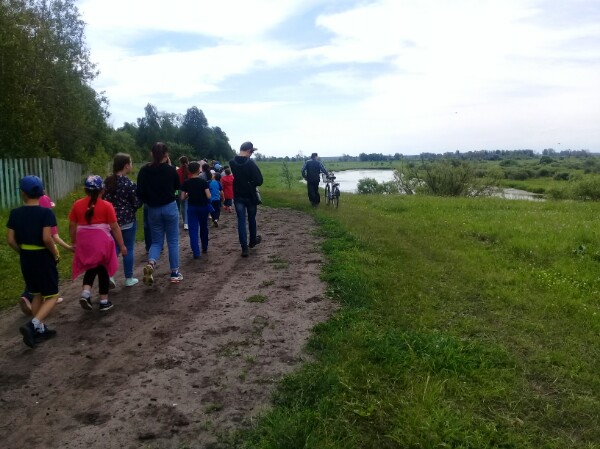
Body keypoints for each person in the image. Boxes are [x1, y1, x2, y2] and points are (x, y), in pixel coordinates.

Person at [7, 176, 61, 347]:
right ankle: (33, 325)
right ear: (41, 193)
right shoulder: (46, 213)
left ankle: (40, 330)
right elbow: (46, 238)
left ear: (23, 193)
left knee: (36, 293)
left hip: (26, 258)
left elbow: (10, 240)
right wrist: (54, 253)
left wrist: (22, 251)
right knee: (52, 295)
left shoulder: (15, 213)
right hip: (42, 257)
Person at [69, 175, 126, 312]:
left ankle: (86, 293)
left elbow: (72, 225)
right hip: (101, 242)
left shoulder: (77, 204)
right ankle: (103, 301)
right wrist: (122, 245)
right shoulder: (107, 206)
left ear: (85, 190)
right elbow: (115, 227)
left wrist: (73, 242)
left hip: (84, 241)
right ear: (102, 190)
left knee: (91, 266)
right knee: (103, 269)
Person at [136, 142, 183, 284]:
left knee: (156, 242)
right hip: (169, 207)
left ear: (151, 154)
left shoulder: (144, 171)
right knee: (173, 241)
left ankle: (151, 264)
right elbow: (177, 187)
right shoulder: (171, 170)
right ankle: (174, 273)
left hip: (153, 209)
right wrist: (170, 166)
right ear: (166, 155)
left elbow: (140, 192)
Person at [18, 191, 71, 315]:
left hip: (28, 252)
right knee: (50, 275)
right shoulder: (47, 216)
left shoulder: (26, 216)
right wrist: (65, 249)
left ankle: (27, 297)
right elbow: (53, 238)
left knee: (34, 277)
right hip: (46, 251)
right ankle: (50, 298)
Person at [103, 153, 142, 288]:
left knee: (114, 247)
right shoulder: (129, 184)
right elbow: (136, 203)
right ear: (126, 166)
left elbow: (103, 200)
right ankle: (129, 278)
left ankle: (110, 275)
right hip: (128, 221)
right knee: (128, 248)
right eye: (130, 163)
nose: (131, 165)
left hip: (111, 221)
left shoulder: (107, 182)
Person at [229, 141, 263, 257]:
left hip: (238, 195)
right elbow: (259, 180)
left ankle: (244, 248)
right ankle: (252, 241)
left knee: (241, 221)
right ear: (248, 151)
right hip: (250, 195)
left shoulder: (232, 162)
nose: (251, 154)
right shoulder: (250, 163)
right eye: (251, 152)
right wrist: (251, 183)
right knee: (251, 219)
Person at [180, 161, 211, 259]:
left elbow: (182, 197)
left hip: (192, 207)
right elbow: (208, 196)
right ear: (198, 170)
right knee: (203, 227)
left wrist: (188, 194)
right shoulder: (203, 182)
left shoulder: (186, 183)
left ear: (189, 171)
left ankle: (196, 252)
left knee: (193, 230)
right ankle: (204, 247)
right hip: (203, 207)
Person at [176, 156, 191, 230]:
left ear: (180, 162)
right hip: (188, 190)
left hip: (180, 190)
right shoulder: (189, 171)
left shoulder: (178, 171)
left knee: (182, 206)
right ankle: (186, 222)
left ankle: (185, 221)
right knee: (187, 206)